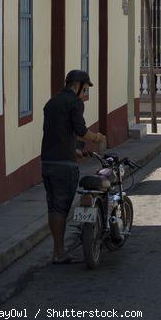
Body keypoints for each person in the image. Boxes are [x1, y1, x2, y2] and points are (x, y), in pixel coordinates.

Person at [41, 69, 106, 265]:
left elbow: (58, 132)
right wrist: (97, 137)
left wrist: (75, 150)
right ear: (77, 86)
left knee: (53, 207)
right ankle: (59, 252)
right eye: (85, 89)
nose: (85, 95)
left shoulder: (51, 103)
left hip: (47, 162)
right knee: (62, 208)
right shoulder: (74, 102)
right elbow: (80, 130)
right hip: (64, 166)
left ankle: (57, 250)